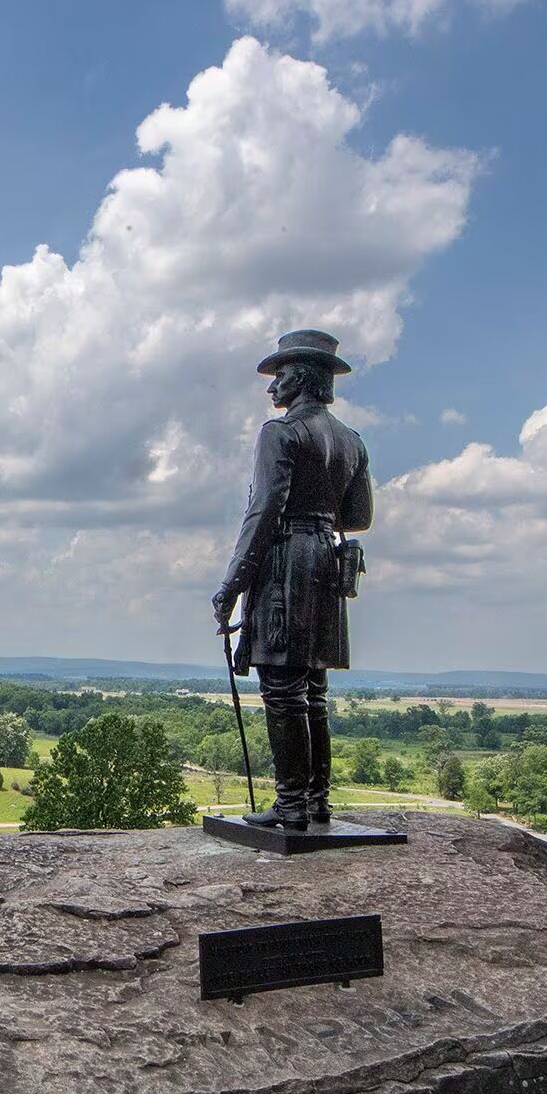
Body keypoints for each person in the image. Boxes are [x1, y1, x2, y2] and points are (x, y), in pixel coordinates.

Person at [211, 330, 373, 831]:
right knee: (313, 690)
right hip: (325, 558)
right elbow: (359, 515)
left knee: (283, 689)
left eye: (278, 375)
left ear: (300, 377)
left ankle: (290, 804)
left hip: (286, 560)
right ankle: (316, 800)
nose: (271, 387)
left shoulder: (279, 434)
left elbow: (263, 510)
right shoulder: (352, 440)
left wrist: (233, 582)